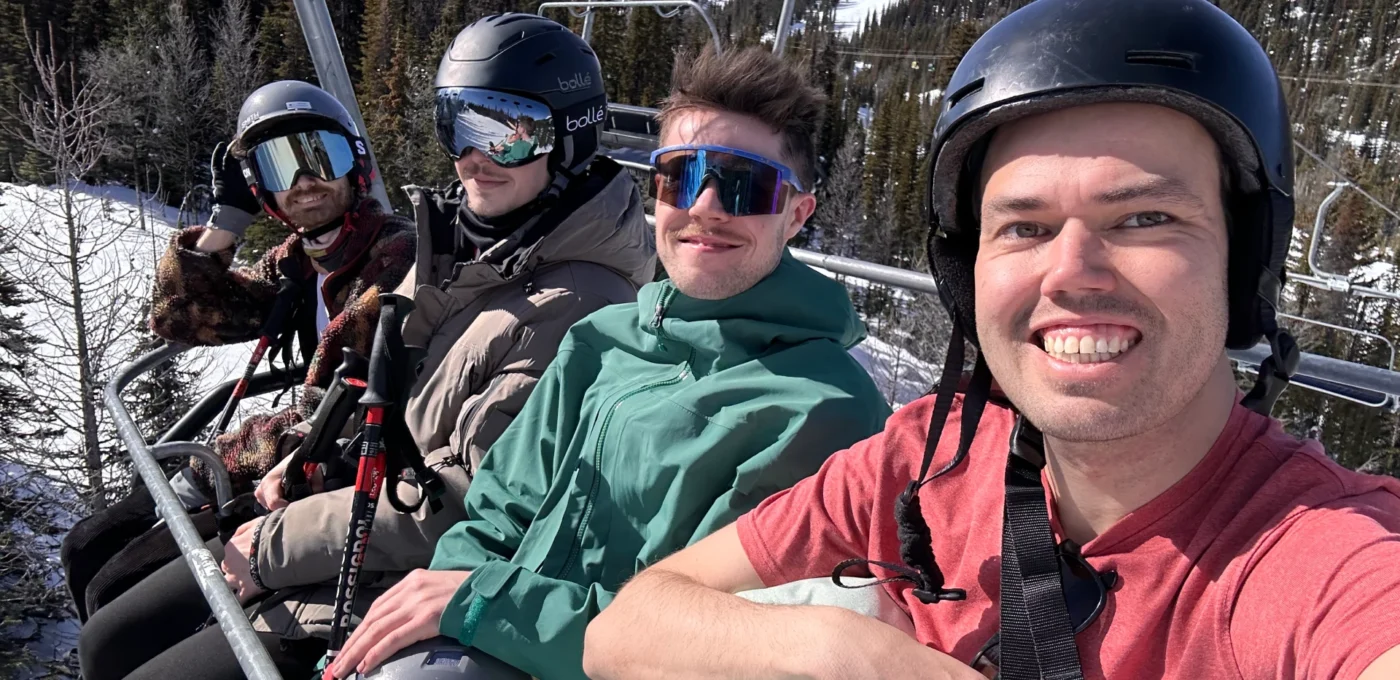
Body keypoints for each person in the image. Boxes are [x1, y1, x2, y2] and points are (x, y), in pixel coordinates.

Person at [583, 1, 1400, 679]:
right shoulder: (922, 461)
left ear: (1241, 256)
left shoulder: (1322, 555)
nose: (1072, 272)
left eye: (1144, 218)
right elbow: (625, 628)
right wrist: (846, 653)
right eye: (1025, 226)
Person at [77, 13, 658, 680]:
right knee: (108, 628)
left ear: (569, 139)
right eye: (456, 126)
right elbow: (206, 326)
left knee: (123, 642)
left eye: (506, 133)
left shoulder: (555, 297)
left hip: (378, 575)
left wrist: (273, 538)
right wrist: (303, 461)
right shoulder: (472, 250)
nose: (473, 156)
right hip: (335, 511)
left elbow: (467, 501)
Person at [325, 45, 892, 680]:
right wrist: (438, 598)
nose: (704, 205)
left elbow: (719, 640)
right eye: (682, 175)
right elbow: (500, 508)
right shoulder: (603, 339)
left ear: (796, 215)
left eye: (743, 184)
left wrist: (485, 605)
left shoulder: (823, 409)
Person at [62, 79, 415, 623]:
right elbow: (179, 316)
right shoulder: (301, 258)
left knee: (115, 598)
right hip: (273, 459)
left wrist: (216, 462)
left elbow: (333, 419)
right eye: (278, 167)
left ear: (355, 164)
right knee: (84, 546)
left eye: (321, 156)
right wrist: (227, 220)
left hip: (316, 476)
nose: (304, 182)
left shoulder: (392, 256)